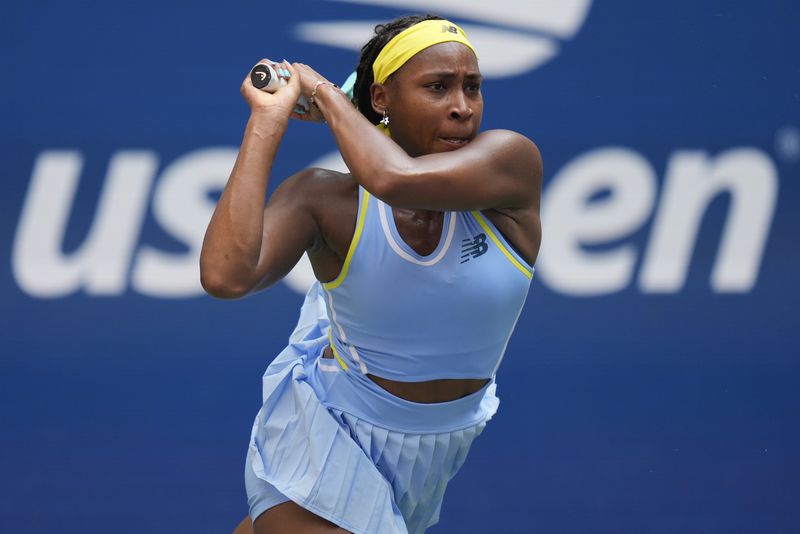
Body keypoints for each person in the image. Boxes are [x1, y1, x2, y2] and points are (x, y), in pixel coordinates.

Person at [200, 14, 542, 534]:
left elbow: (392, 177)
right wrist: (269, 119)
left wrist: (325, 96)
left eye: (472, 87)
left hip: (435, 452)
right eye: (437, 87)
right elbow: (227, 276)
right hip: (323, 434)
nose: (461, 106)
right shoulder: (325, 201)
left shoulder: (511, 163)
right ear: (381, 99)